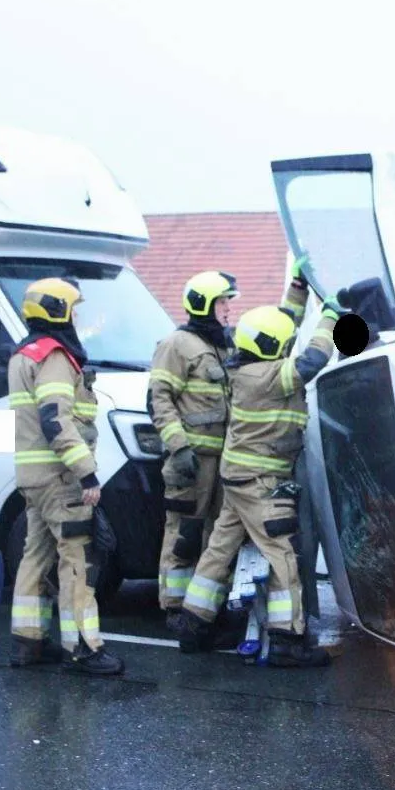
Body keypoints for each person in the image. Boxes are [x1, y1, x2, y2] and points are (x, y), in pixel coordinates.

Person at [177, 289, 344, 667]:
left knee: (219, 550)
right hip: (261, 483)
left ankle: (193, 625)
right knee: (280, 554)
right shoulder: (267, 376)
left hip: (239, 479)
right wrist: (329, 319)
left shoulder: (245, 370)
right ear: (271, 347)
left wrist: (300, 292)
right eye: (283, 344)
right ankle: (286, 641)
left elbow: (281, 325)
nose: (287, 349)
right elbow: (313, 359)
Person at [7, 277, 124, 676]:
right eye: (74, 309)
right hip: (61, 479)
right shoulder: (54, 357)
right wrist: (87, 473)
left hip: (33, 478)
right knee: (78, 559)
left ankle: (29, 641)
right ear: (59, 312)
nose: (78, 318)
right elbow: (55, 418)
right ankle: (84, 648)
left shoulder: (23, 354)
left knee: (35, 554)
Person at [148, 271, 240, 634]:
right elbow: (159, 400)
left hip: (224, 462)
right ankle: (174, 606)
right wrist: (179, 446)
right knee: (183, 534)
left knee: (218, 536)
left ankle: (204, 609)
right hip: (191, 462)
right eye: (222, 302)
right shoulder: (176, 345)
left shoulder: (225, 345)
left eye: (228, 301)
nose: (228, 309)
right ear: (203, 304)